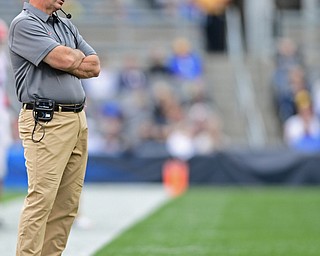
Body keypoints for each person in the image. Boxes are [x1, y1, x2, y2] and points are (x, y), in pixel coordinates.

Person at [8, 0, 100, 255]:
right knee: (42, 200)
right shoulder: (24, 24)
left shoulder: (64, 23)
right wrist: (70, 56)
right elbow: (66, 58)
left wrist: (69, 58)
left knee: (68, 205)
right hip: (46, 122)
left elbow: (94, 66)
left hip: (77, 120)